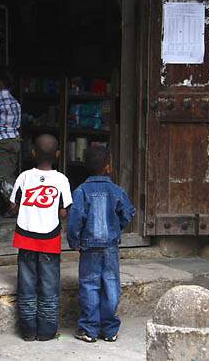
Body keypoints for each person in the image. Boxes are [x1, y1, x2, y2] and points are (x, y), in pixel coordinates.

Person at [67, 146, 136, 343]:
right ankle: (110, 329)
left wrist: (75, 241)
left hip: (89, 247)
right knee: (111, 284)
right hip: (111, 246)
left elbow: (74, 220)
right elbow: (128, 213)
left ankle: (89, 329)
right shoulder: (117, 191)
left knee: (89, 285)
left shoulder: (81, 191)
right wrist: (116, 229)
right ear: (108, 166)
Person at [10, 134, 72, 341]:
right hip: (50, 240)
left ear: (33, 153)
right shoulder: (62, 179)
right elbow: (64, 212)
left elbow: (13, 206)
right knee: (49, 286)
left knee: (27, 285)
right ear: (58, 154)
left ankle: (28, 331)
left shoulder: (24, 177)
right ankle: (46, 332)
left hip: (25, 238)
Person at [0, 69, 21, 217]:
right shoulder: (15, 102)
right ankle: (10, 204)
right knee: (9, 172)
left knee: (3, 176)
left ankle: (15, 205)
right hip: (14, 140)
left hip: (0, 141)